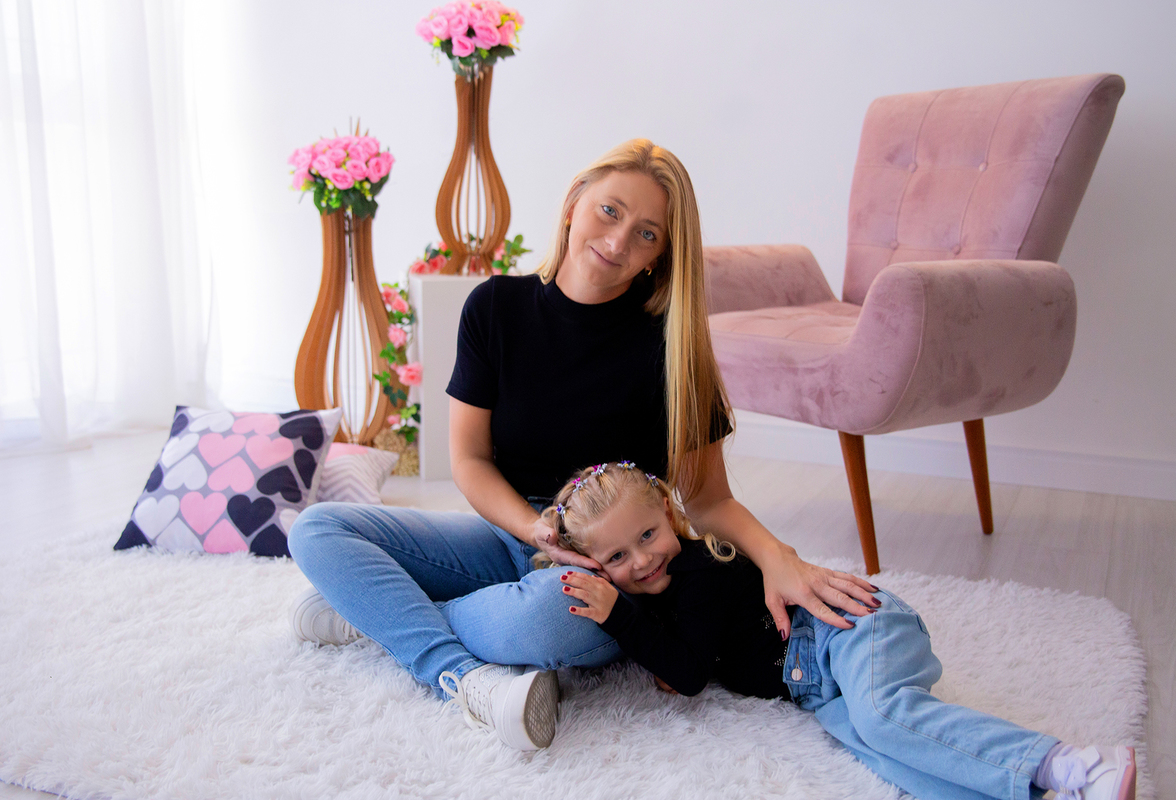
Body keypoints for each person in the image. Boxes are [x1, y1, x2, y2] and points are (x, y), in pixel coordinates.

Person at [286, 139, 880, 752]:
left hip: (608, 573)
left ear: (660, 256)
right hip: (512, 536)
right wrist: (533, 529)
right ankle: (458, 669)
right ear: (575, 202)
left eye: (648, 234)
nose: (620, 241)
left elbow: (705, 499)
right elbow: (469, 460)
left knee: (548, 615)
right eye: (611, 211)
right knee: (318, 530)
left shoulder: (671, 346)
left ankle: (379, 614)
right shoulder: (494, 308)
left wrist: (780, 557)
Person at [545, 461, 1137, 800]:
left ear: (672, 517)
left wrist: (619, 614)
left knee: (883, 717)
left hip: (846, 629)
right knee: (889, 756)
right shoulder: (660, 591)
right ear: (597, 566)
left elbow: (690, 674)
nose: (642, 561)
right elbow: (678, 658)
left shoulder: (702, 570)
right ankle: (1033, 786)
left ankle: (1076, 764)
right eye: (618, 557)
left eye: (647, 536)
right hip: (816, 686)